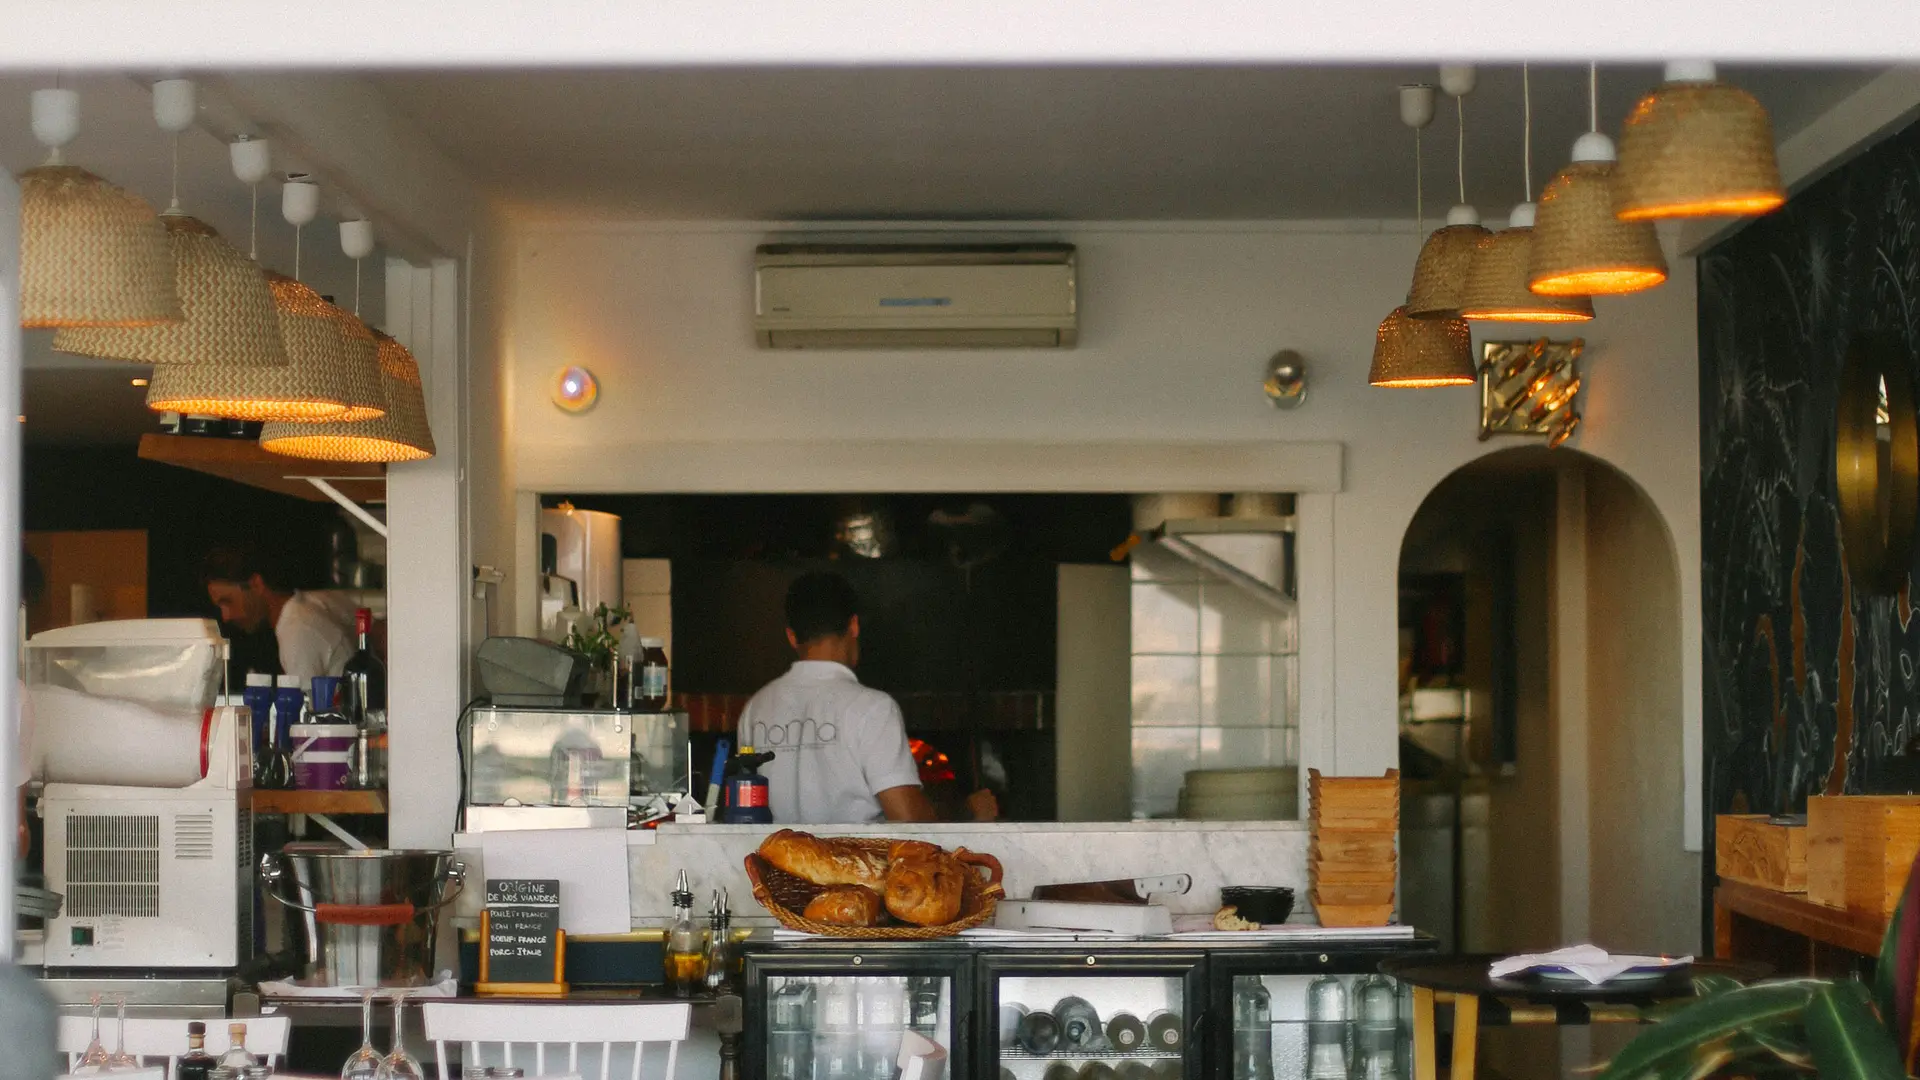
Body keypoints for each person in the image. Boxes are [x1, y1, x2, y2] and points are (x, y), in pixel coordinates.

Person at [739, 571, 997, 824]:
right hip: (853, 865)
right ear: (853, 625)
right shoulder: (873, 708)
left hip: (776, 863)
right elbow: (907, 818)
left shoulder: (755, 709)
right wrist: (967, 811)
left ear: (791, 636)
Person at [201, 544, 354, 682]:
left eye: (227, 602)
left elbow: (304, 710)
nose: (226, 617)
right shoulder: (314, 602)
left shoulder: (297, 630)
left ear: (256, 584)